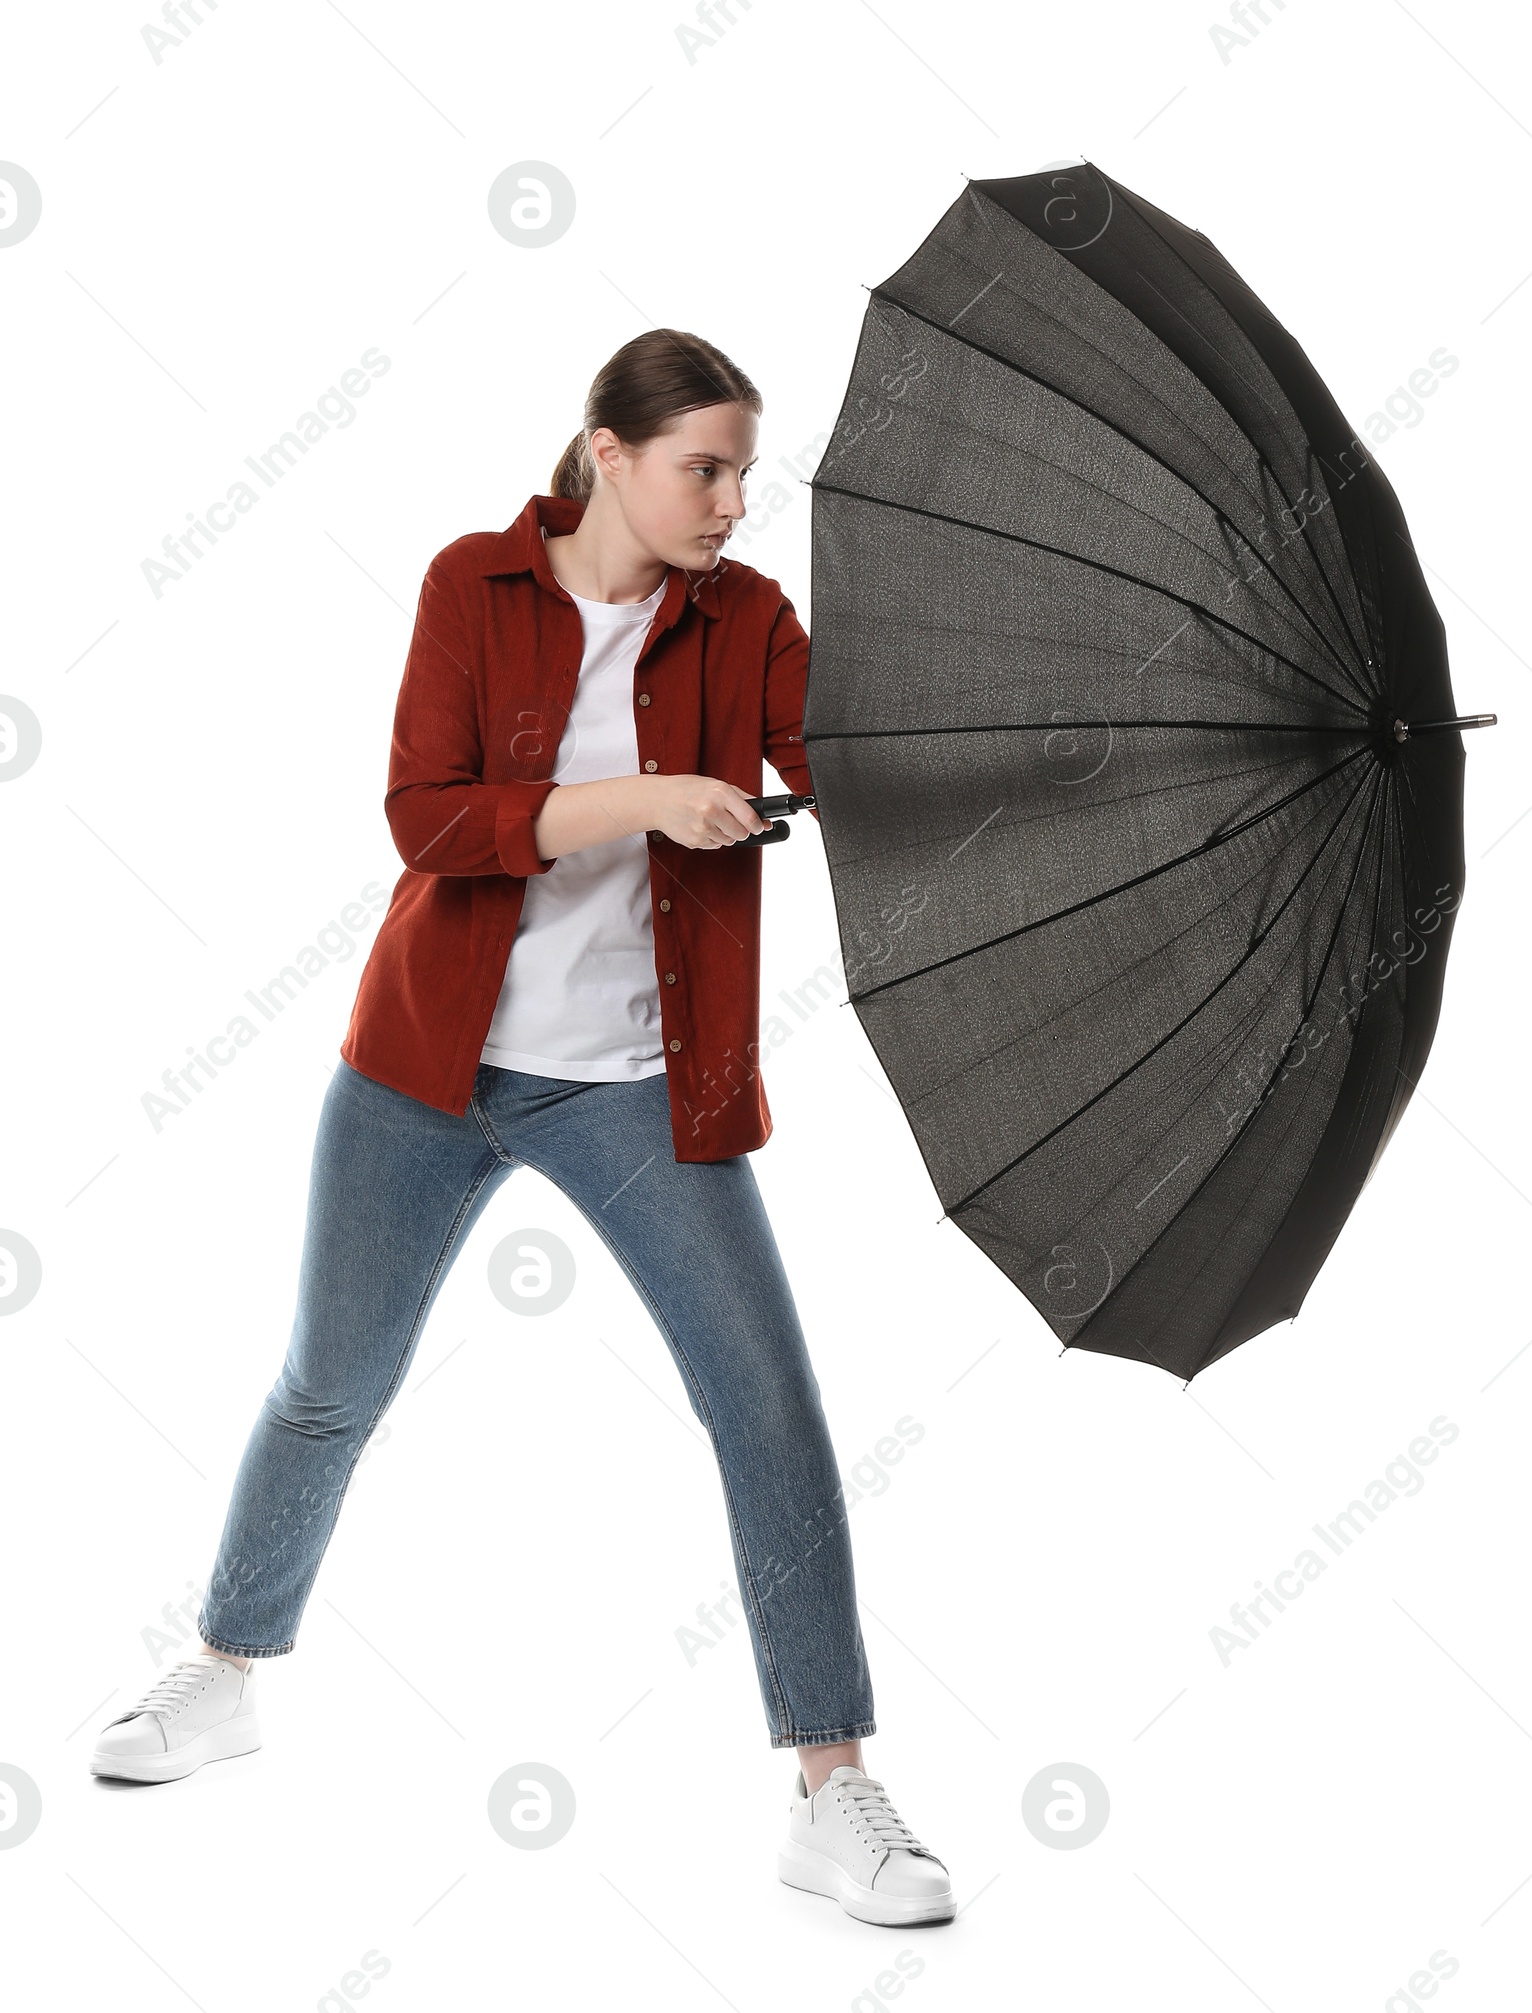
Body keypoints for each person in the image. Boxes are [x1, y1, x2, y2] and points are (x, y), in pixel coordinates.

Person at [89, 329, 955, 1928]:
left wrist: (1020, 741)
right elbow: (429, 818)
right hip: (426, 1066)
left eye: (745, 472)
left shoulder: (749, 618)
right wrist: (648, 799)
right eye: (705, 467)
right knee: (327, 1386)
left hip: (639, 1082)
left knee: (767, 1405)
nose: (732, 501)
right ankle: (226, 1667)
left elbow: (854, 761)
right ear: (608, 454)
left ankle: (834, 1790)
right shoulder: (473, 587)